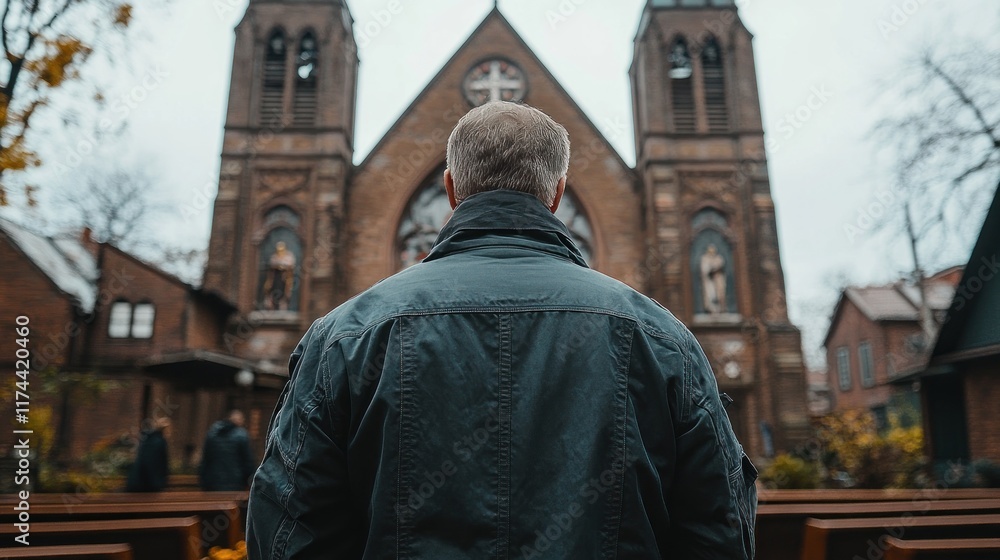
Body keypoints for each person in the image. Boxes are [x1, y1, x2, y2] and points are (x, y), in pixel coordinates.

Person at [246, 102, 757, 559]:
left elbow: (287, 534)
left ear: (451, 189)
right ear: (557, 193)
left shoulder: (344, 338)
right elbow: (720, 531)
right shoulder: (663, 340)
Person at [199, 410, 256, 491]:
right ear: (239, 421)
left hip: (212, 482)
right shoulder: (242, 435)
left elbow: (205, 459)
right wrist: (249, 479)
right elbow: (248, 461)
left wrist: (203, 481)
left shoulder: (212, 433)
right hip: (235, 483)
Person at [125, 416, 170, 492]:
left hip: (139, 483)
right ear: (166, 430)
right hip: (146, 485)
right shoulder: (158, 442)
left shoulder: (149, 439)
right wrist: (158, 483)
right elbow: (152, 464)